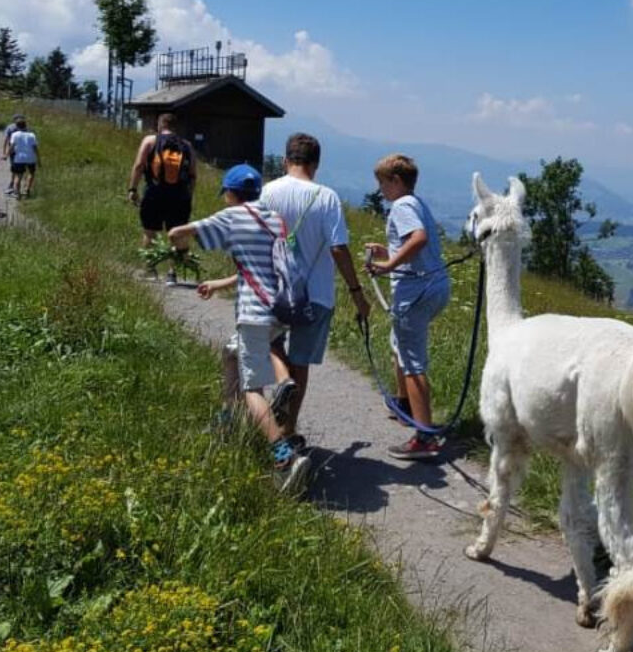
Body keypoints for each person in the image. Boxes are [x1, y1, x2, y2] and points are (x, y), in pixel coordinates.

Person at [169, 165, 312, 494]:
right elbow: (262, 267)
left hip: (253, 314)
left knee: (252, 389)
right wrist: (221, 283)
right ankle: (227, 425)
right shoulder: (276, 220)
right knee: (231, 356)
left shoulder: (232, 216)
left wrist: (178, 249)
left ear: (231, 194)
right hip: (278, 310)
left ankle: (283, 455)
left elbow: (178, 232)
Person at [256, 133, 372, 441]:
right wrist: (357, 293)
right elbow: (338, 248)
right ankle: (289, 427)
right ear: (316, 164)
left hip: (274, 289)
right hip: (316, 293)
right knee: (302, 362)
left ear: (285, 160)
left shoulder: (268, 192)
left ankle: (279, 389)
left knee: (270, 343)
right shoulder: (327, 197)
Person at [365, 153, 451, 460]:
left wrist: (388, 264)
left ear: (396, 181)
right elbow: (414, 244)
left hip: (414, 292)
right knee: (398, 346)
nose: (380, 190)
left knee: (413, 362)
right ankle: (405, 408)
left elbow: (419, 238)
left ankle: (424, 436)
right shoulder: (416, 203)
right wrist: (388, 249)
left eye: (382, 183)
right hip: (433, 286)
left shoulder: (401, 205)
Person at [128, 113, 195, 282]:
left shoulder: (150, 141)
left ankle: (150, 270)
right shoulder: (187, 146)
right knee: (176, 234)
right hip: (179, 195)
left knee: (150, 232)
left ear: (160, 125)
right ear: (175, 127)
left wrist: (133, 188)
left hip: (154, 192)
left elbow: (139, 165)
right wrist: (188, 196)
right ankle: (172, 274)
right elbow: (193, 175)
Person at [7, 118, 39, 199]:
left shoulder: (15, 135)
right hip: (31, 157)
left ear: (17, 126)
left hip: (19, 158)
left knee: (18, 176)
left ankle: (17, 193)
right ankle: (27, 189)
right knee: (31, 173)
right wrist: (39, 158)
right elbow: (35, 148)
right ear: (26, 126)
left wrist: (6, 155)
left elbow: (12, 146)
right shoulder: (32, 135)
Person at [1, 114, 27, 195]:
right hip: (22, 151)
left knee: (15, 168)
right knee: (19, 170)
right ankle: (15, 186)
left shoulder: (10, 127)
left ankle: (13, 186)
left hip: (13, 151)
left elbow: (6, 140)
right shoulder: (25, 128)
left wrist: (5, 153)